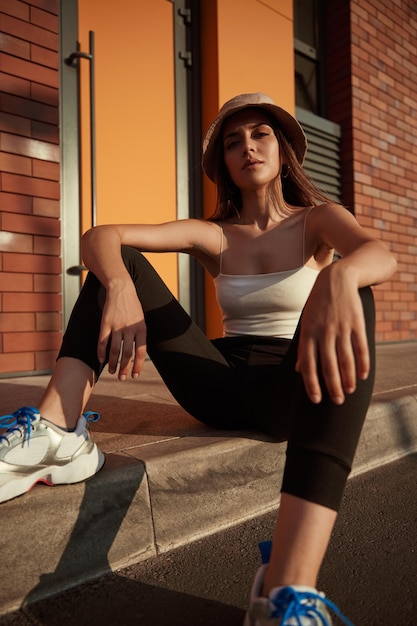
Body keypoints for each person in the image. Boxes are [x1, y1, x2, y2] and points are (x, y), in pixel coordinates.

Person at [0, 92, 397, 625]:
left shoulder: (318, 220)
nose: (248, 148)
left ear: (283, 151)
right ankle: (57, 430)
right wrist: (118, 284)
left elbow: (380, 255)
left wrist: (339, 274)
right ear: (224, 165)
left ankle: (285, 589)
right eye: (234, 142)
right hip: (215, 381)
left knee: (360, 293)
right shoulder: (215, 234)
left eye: (260, 135)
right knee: (118, 262)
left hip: (292, 384)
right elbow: (102, 235)